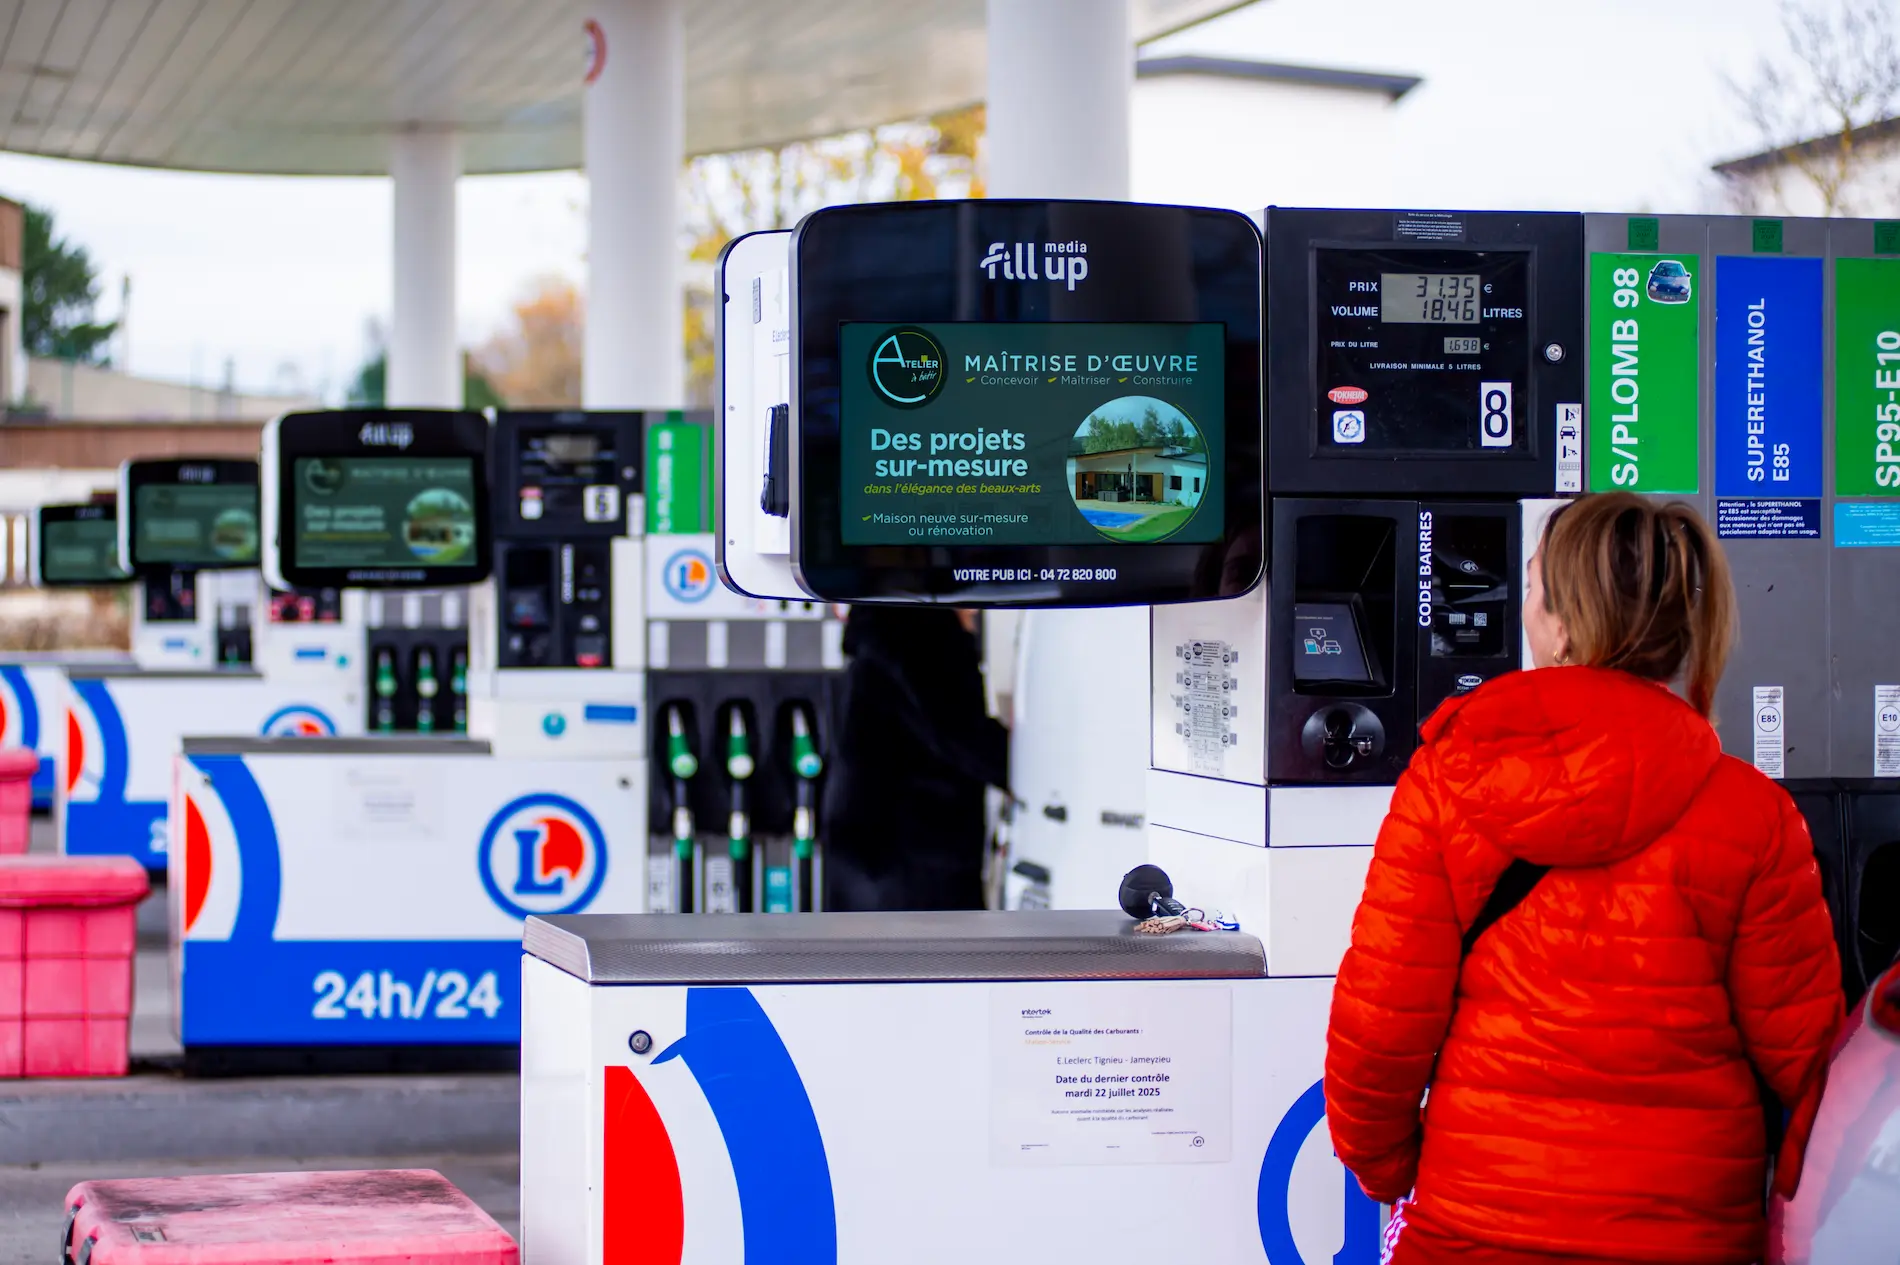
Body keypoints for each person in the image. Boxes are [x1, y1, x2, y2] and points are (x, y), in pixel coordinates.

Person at [1325, 492, 1844, 1265]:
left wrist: (1391, 1169)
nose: (1523, 606)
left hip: (1478, 1226)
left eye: (1532, 585)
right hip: (1689, 1233)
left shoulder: (1449, 782)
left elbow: (1379, 1028)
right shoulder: (1755, 814)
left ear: (1565, 625)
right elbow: (1815, 1071)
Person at [822, 606, 1009, 911]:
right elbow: (960, 734)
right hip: (907, 863)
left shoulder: (889, 638)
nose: (976, 607)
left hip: (882, 860)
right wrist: (1036, 764)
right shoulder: (916, 640)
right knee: (934, 956)